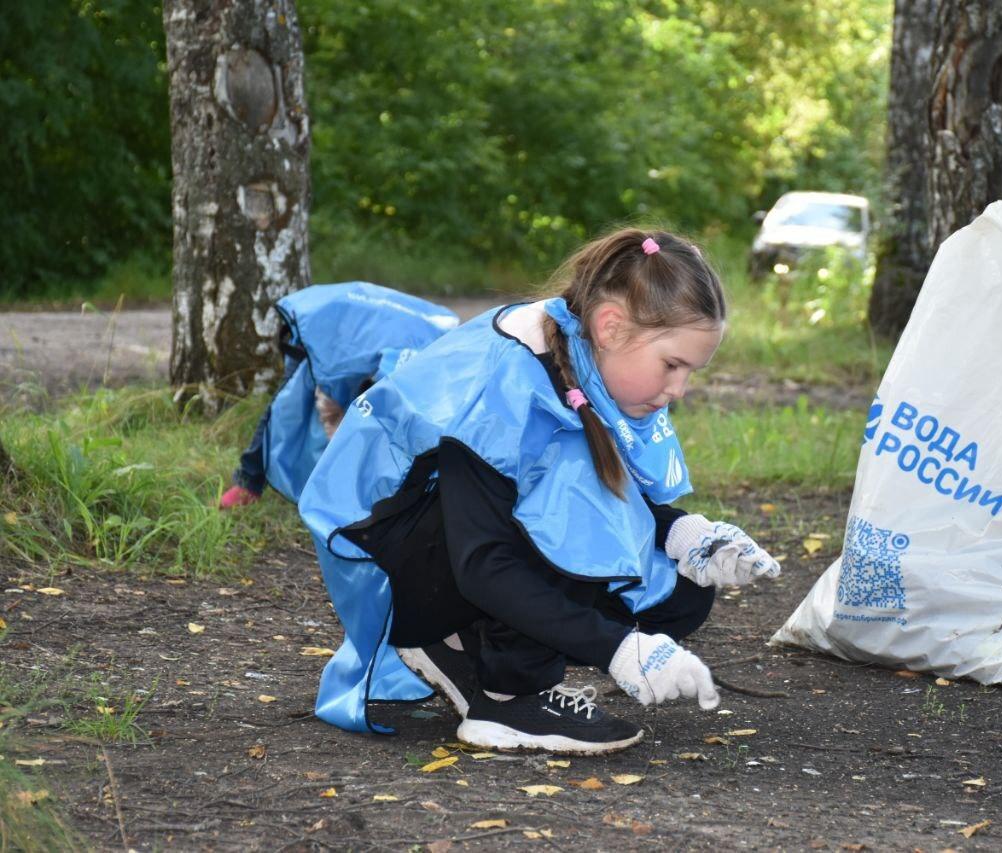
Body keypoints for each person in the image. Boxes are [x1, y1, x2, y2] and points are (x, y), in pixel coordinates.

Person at [298, 229, 780, 754]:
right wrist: (619, 649)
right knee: (568, 535)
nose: (679, 390)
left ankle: (464, 645)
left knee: (683, 594)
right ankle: (511, 698)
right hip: (404, 572)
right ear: (611, 326)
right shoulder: (508, 384)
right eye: (673, 365)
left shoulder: (587, 359)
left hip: (456, 560)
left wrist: (687, 537)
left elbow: (598, 492)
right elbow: (489, 560)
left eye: (692, 371)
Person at [217, 282, 458, 508]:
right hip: (329, 325)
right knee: (286, 399)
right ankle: (249, 481)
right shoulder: (322, 336)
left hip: (384, 335)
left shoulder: (430, 361)